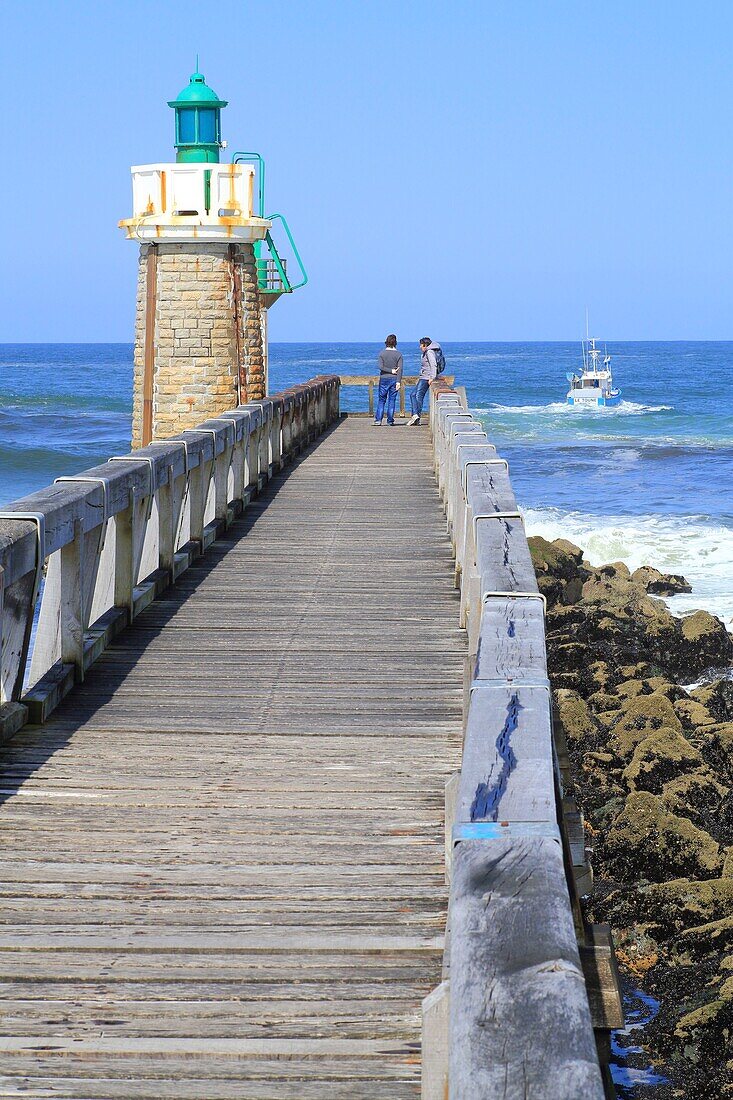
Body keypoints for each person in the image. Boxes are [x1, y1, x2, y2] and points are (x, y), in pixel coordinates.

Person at [407, 337, 441, 425]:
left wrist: (432, 377)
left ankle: (416, 416)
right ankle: (415, 416)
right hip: (423, 377)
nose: (420, 347)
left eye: (421, 345)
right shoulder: (426, 352)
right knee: (413, 395)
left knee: (418, 396)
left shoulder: (429, 352)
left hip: (426, 378)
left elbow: (433, 365)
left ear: (425, 345)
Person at [372, 334, 403, 426]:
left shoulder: (382, 353)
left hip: (384, 379)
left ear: (386, 342)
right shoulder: (399, 354)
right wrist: (398, 381)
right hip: (394, 379)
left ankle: (378, 420)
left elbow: (380, 367)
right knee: (392, 400)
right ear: (395, 343)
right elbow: (400, 369)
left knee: (381, 400)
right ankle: (390, 420)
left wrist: (390, 370)